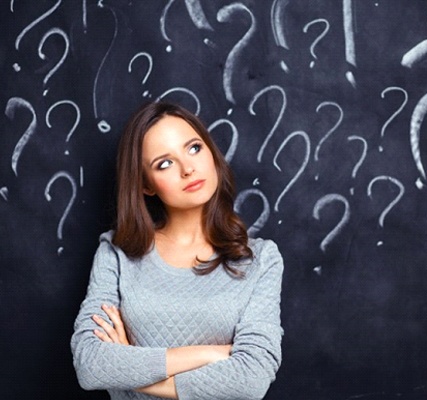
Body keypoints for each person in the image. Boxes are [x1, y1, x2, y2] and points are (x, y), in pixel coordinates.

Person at [70, 101, 284, 400]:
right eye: (164, 163)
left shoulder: (260, 259)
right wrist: (208, 354)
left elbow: (252, 378)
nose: (188, 169)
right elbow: (90, 364)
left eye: (194, 148)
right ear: (146, 185)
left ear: (210, 152)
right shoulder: (116, 253)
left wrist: (133, 370)